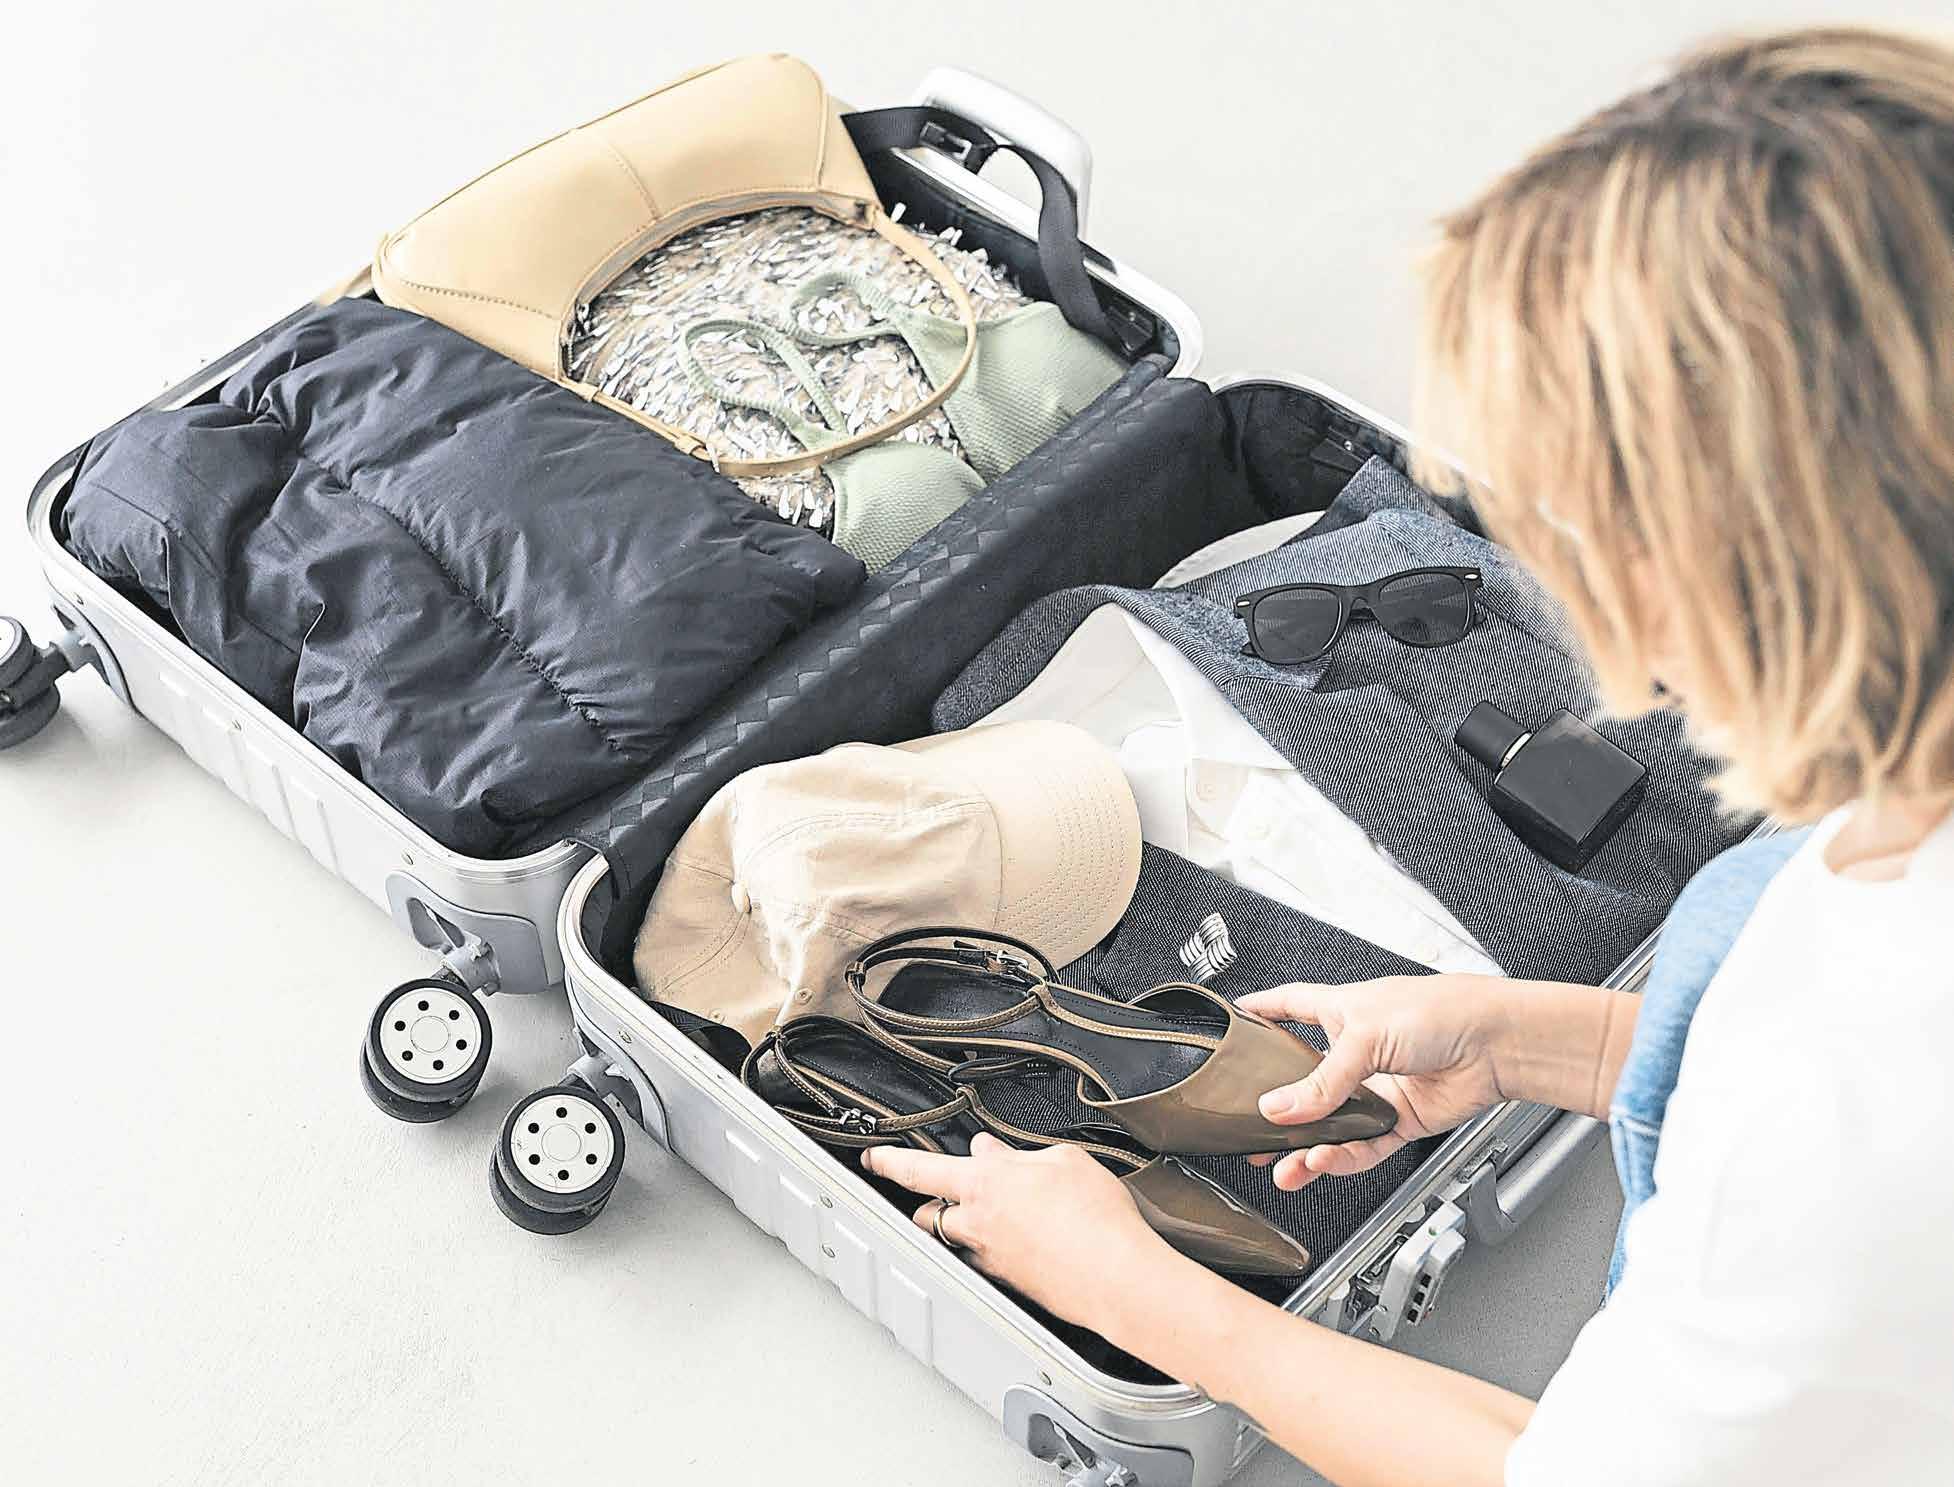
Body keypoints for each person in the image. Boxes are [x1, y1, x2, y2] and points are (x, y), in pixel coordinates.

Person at [863, 27, 1954, 1486]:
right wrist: (1527, 1043)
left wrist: (1132, 1292)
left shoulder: (1843, 1149)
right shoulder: (1902, 819)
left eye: (1576, 520)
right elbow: (1797, 1036)